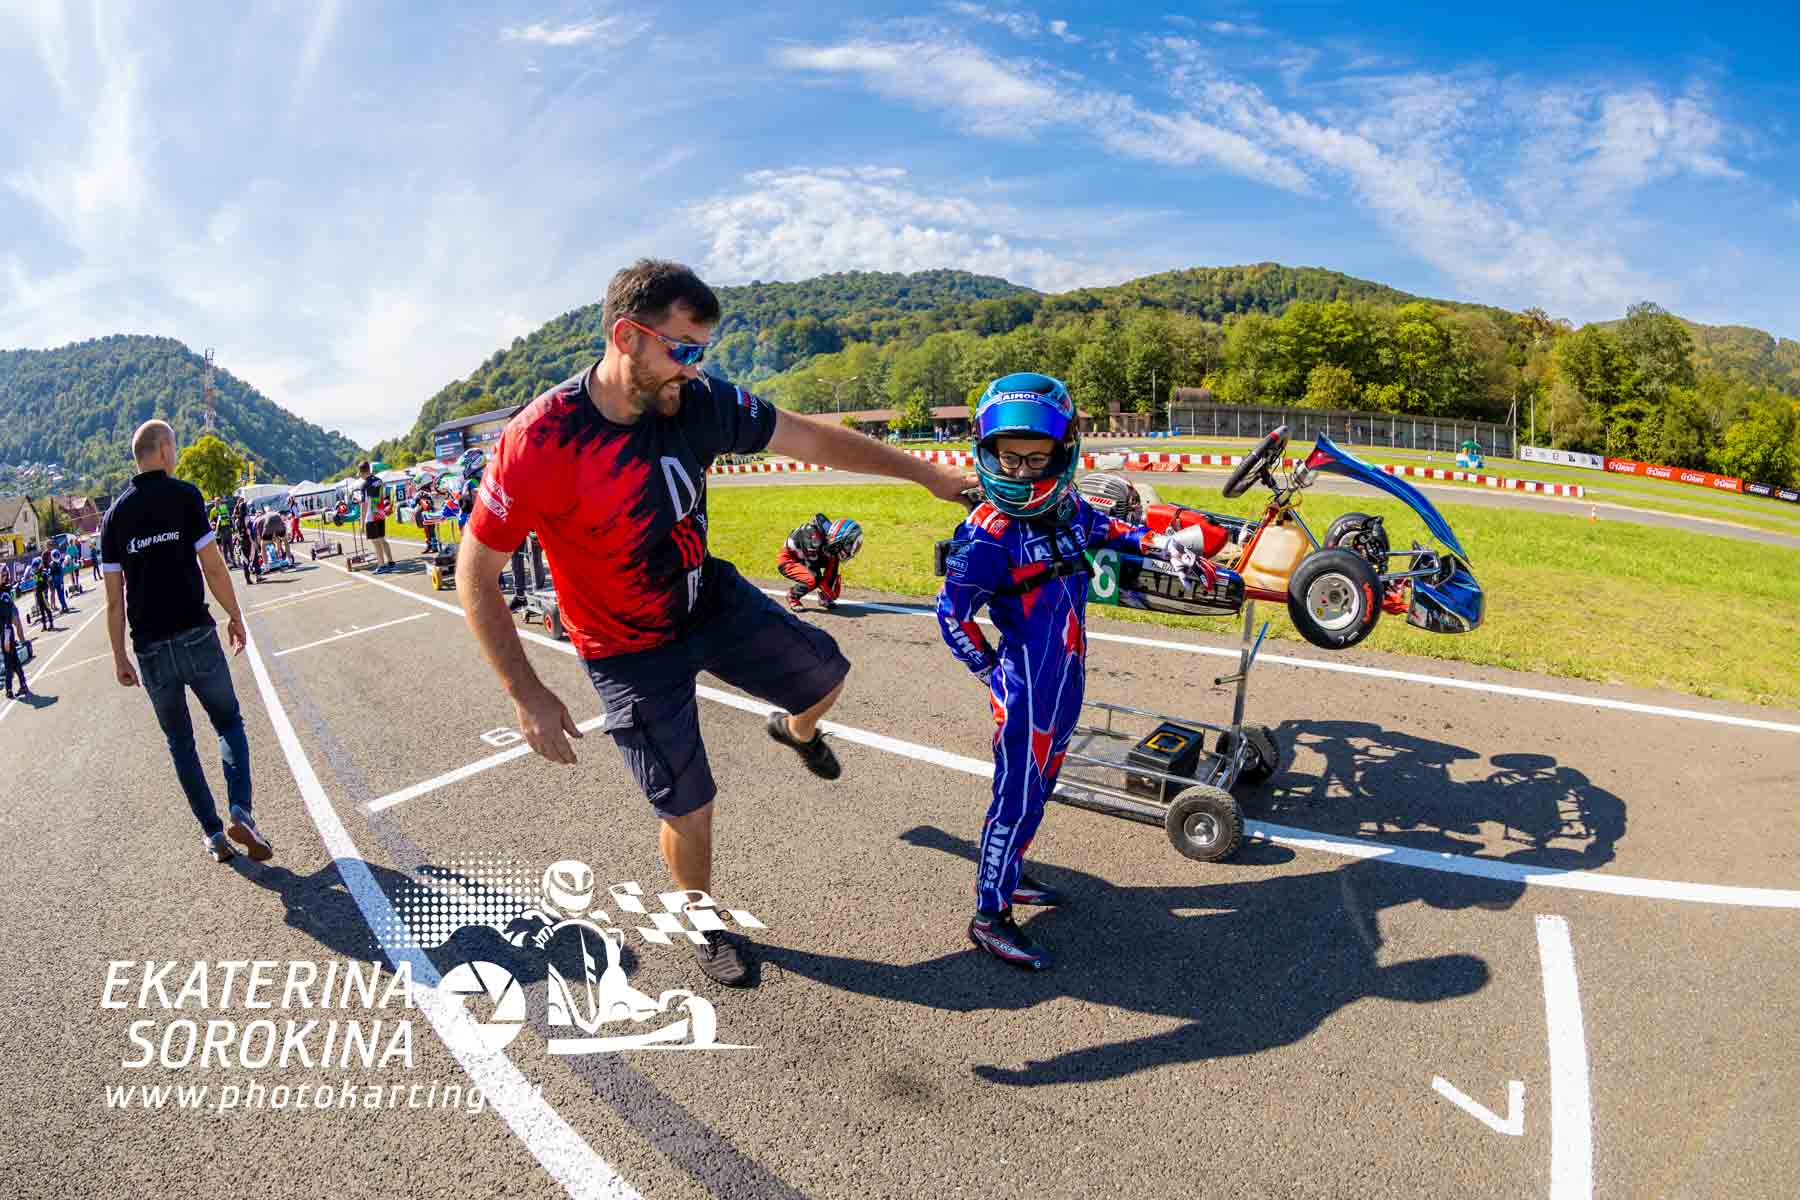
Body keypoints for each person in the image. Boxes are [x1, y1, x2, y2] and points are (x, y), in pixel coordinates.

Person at [457, 258, 969, 988]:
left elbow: (813, 440)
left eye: (704, 351)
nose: (695, 369)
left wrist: (927, 474)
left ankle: (796, 731)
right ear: (626, 337)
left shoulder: (696, 399)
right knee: (689, 804)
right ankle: (701, 919)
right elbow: (475, 573)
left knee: (827, 676)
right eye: (682, 349)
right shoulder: (542, 439)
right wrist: (526, 692)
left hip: (704, 597)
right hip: (626, 646)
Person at [935, 373, 1212, 971]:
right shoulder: (987, 533)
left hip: (1067, 677)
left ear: (1063, 455)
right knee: (1015, 797)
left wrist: (1163, 545)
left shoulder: (1070, 509)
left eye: (1037, 459)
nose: (1021, 473)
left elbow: (1114, 530)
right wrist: (993, 674)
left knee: (1041, 789)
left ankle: (1010, 874)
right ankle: (989, 916)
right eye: (1009, 458)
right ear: (986, 452)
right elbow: (950, 614)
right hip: (1027, 689)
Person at [102, 420, 273, 865]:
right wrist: (235, 616)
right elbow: (213, 567)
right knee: (228, 723)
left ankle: (214, 836)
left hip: (150, 649)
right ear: (162, 449)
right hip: (195, 633)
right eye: (174, 448)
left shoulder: (113, 518)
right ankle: (240, 809)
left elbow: (114, 601)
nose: (175, 456)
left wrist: (119, 656)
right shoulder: (185, 496)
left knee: (180, 743)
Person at [777, 514, 863, 611]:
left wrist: (828, 588)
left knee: (834, 559)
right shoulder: (813, 539)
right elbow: (814, 571)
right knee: (812, 579)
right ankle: (792, 595)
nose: (849, 548)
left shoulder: (829, 534)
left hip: (806, 556)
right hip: (789, 560)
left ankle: (824, 598)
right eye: (849, 544)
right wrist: (827, 590)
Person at [357, 462, 397, 574]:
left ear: (361, 472)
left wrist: (361, 523)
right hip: (380, 513)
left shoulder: (364, 485)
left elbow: (364, 505)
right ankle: (390, 562)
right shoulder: (379, 480)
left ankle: (381, 565)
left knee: (376, 541)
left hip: (371, 516)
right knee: (382, 539)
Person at [1, 579, 28, 700]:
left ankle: (9, 689)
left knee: (9, 662)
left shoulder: (4, 595)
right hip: (5, 633)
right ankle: (22, 684)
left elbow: (7, 618)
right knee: (14, 660)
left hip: (6, 633)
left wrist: (6, 637)